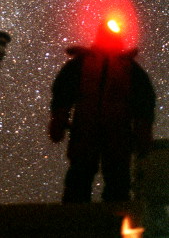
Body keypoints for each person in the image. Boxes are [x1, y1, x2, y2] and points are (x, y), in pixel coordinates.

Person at [49, 20, 156, 203]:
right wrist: (58, 118)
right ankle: (77, 225)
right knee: (80, 180)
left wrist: (143, 131)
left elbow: (144, 103)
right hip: (89, 132)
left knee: (116, 182)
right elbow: (63, 93)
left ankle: (113, 225)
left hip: (114, 133)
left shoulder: (126, 68)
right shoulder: (85, 64)